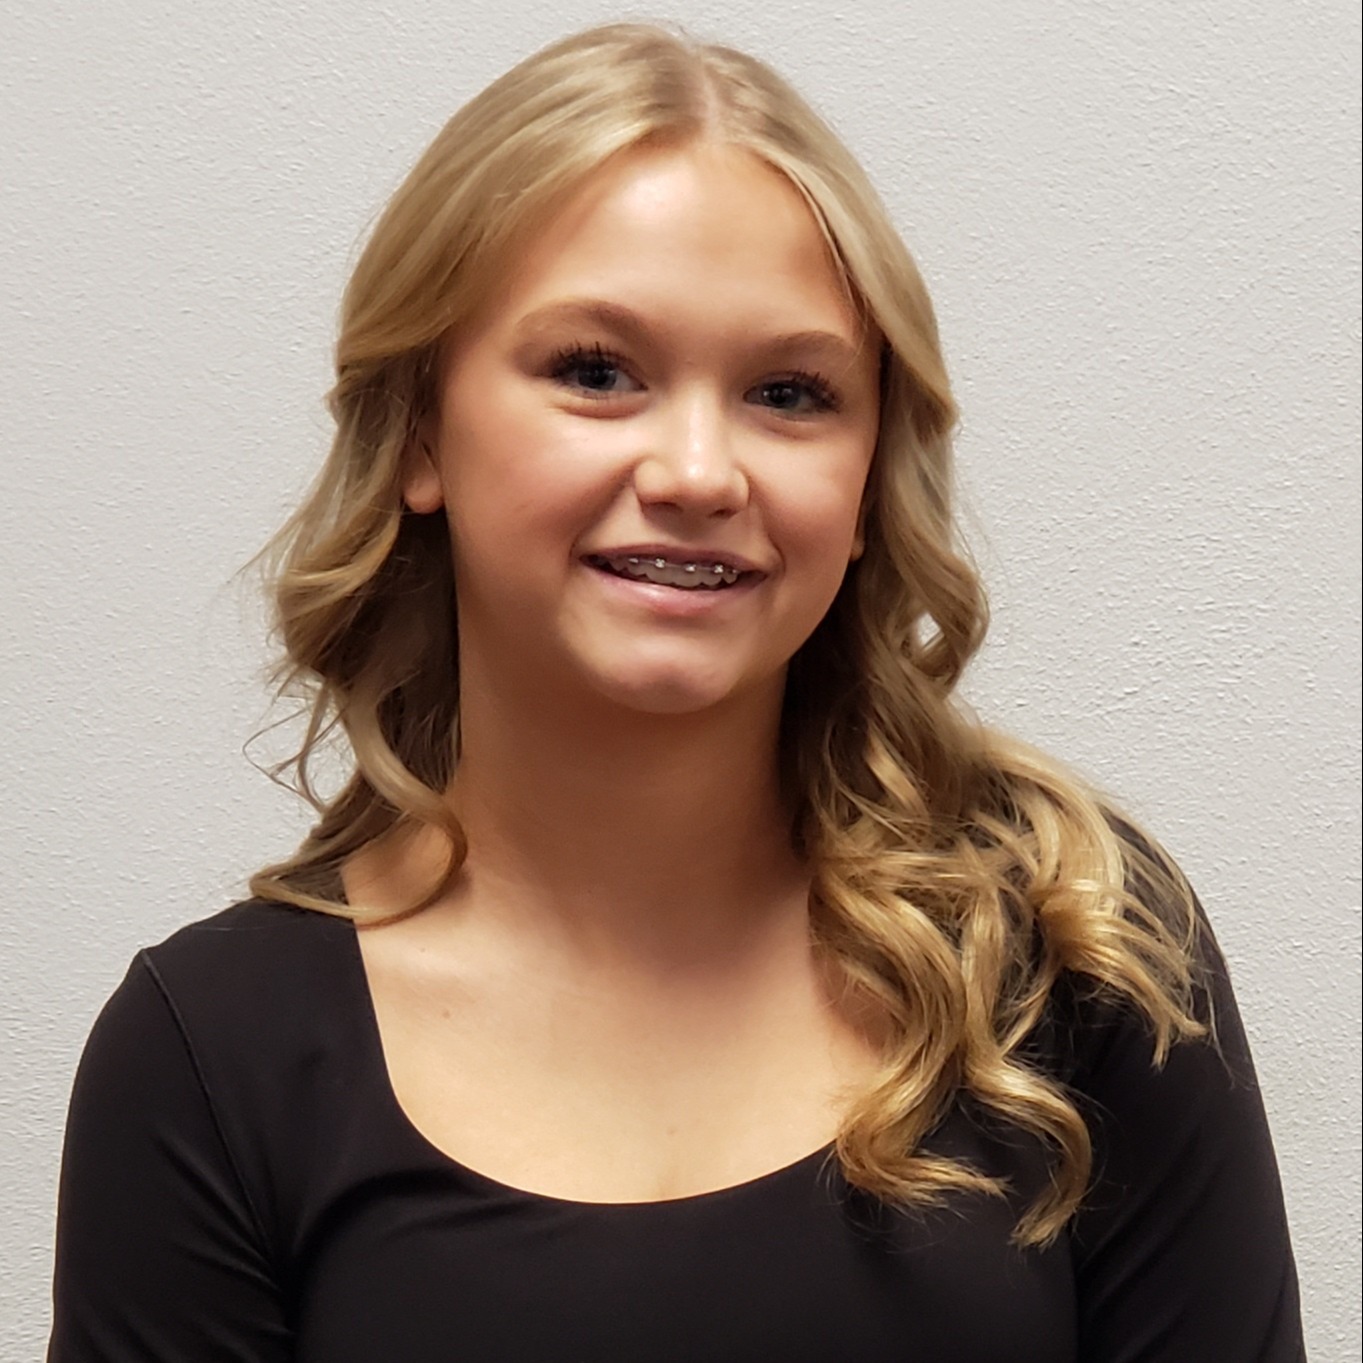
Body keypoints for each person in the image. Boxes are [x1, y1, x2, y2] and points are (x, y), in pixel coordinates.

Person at [48, 21, 1305, 1362]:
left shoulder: (1077, 949)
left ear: (873, 475)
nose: (701, 470)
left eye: (788, 391)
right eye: (595, 372)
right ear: (420, 428)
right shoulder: (210, 1060)